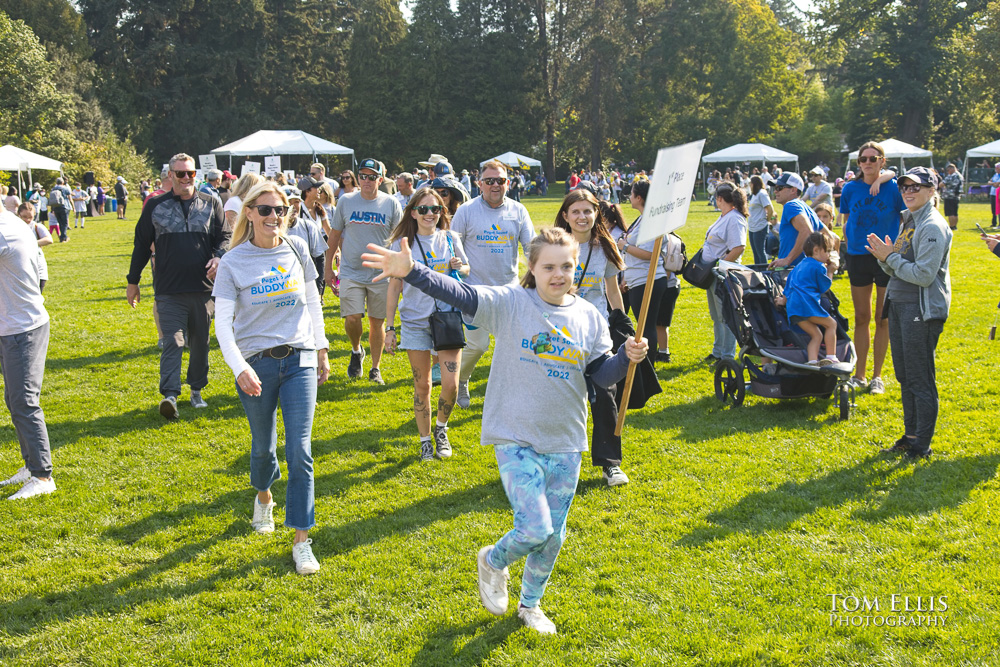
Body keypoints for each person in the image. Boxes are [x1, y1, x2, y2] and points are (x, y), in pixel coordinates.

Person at [360, 226, 649, 635]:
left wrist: (626, 358)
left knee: (553, 537)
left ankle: (530, 605)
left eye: (567, 266)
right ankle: (493, 560)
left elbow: (601, 376)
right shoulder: (511, 302)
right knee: (535, 527)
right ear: (531, 267)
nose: (559, 274)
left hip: (566, 440)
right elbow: (458, 293)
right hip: (514, 435)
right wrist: (412, 272)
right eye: (549, 266)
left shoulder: (588, 315)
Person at [212, 182, 329, 574]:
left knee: (300, 449)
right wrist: (239, 367)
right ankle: (264, 497)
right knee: (263, 447)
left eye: (280, 210)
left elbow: (313, 301)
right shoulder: (233, 263)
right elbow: (223, 325)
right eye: (264, 210)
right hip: (256, 364)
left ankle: (301, 538)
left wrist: (322, 348)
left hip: (300, 359)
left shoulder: (296, 249)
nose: (273, 217)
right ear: (249, 213)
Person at [126, 153, 228, 419]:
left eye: (190, 173)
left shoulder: (211, 202)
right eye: (180, 174)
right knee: (173, 340)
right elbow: (140, 244)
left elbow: (225, 236)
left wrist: (219, 255)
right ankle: (170, 395)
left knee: (200, 343)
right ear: (170, 175)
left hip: (203, 288)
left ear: (197, 175)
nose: (186, 178)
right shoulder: (155, 206)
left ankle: (196, 389)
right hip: (169, 288)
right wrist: (133, 281)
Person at [865, 167, 952, 460]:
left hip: (921, 309)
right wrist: (886, 259)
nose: (908, 191)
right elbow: (900, 266)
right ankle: (911, 435)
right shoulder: (909, 220)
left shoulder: (932, 225)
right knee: (904, 375)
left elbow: (924, 275)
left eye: (916, 186)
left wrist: (890, 257)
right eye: (904, 186)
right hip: (900, 304)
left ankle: (921, 445)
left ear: (932, 190)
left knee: (919, 377)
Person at [554, 189, 632, 486]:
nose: (582, 217)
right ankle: (556, 459)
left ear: (597, 213)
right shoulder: (552, 246)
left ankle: (610, 464)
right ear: (565, 215)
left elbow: (611, 289)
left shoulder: (605, 247)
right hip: (562, 334)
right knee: (561, 397)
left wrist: (620, 321)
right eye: (576, 211)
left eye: (588, 211)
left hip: (598, 334)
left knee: (605, 396)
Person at [385, 188, 469, 461]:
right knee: (422, 386)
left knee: (451, 384)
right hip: (415, 321)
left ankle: (441, 429)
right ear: (413, 213)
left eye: (435, 209)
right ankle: (425, 442)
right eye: (423, 209)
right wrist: (389, 327)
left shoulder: (450, 238)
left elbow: (466, 270)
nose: (430, 214)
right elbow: (394, 286)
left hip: (447, 319)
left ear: (442, 212)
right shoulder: (402, 243)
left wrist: (459, 265)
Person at [449, 160, 535, 408]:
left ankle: (508, 393)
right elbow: (453, 244)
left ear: (508, 183)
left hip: (508, 293)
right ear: (479, 184)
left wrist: (540, 274)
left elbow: (531, 248)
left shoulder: (518, 211)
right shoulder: (466, 211)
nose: (495, 185)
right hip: (473, 293)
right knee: (478, 345)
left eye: (500, 180)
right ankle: (462, 379)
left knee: (512, 346)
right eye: (489, 181)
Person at [835, 141, 905, 394]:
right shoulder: (850, 188)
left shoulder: (894, 188)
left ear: (882, 161)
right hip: (857, 256)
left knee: (883, 318)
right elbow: (846, 219)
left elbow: (906, 217)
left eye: (873, 159)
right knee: (862, 317)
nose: (867, 162)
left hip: (886, 257)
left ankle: (878, 376)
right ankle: (860, 374)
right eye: (863, 159)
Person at [325, 158, 402, 384]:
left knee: (376, 322)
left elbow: (399, 238)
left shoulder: (390, 204)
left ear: (380, 179)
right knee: (352, 319)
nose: (366, 181)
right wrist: (328, 267)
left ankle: (375, 368)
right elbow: (334, 235)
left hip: (380, 273)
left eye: (371, 176)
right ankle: (357, 350)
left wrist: (399, 269)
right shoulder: (346, 201)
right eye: (362, 176)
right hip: (351, 271)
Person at [0, 210, 55, 499]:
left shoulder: (3, 229)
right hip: (13, 325)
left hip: (22, 328)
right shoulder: (12, 221)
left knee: (24, 401)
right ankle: (30, 465)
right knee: (15, 399)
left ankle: (42, 477)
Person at [615, 179, 669, 357]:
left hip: (647, 280)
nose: (629, 197)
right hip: (640, 279)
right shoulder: (643, 218)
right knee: (645, 325)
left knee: (646, 327)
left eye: (631, 194)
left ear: (639, 197)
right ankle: (648, 364)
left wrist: (624, 246)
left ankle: (649, 366)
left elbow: (652, 255)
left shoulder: (650, 220)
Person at [775, 232, 839, 366]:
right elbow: (825, 288)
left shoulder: (797, 267)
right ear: (816, 251)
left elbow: (788, 287)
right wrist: (831, 271)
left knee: (816, 335)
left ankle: (812, 361)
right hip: (807, 307)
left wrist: (782, 301)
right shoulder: (818, 266)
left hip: (794, 309)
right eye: (827, 251)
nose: (828, 255)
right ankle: (831, 357)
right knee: (831, 324)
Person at [701, 181, 748, 364]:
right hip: (713, 274)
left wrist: (720, 266)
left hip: (724, 274)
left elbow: (738, 247)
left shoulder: (734, 218)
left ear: (719, 199)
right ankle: (718, 351)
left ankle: (727, 355)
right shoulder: (725, 216)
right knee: (716, 316)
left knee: (726, 317)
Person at [770, 172, 823, 269]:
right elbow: (831, 237)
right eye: (775, 188)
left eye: (779, 188)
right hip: (806, 268)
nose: (775, 192)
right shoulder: (807, 208)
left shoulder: (791, 205)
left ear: (793, 190)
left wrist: (788, 259)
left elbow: (807, 231)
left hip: (792, 270)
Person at [291, 176, 330, 301]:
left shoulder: (319, 209)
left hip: (316, 251)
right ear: (307, 191)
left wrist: (337, 249)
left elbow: (328, 230)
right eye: (316, 188)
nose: (319, 190)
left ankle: (319, 296)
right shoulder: (298, 209)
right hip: (300, 255)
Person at [17, 203, 51, 291]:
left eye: (30, 217)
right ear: (19, 214)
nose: (27, 219)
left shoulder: (36, 226)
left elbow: (49, 239)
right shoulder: (14, 227)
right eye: (24, 216)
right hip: (20, 270)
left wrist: (32, 243)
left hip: (38, 270)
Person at [747, 175, 776, 265]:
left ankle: (764, 272)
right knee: (755, 252)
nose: (750, 186)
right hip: (752, 227)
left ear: (754, 184)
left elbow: (770, 208)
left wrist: (768, 219)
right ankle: (757, 271)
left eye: (750, 184)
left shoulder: (762, 193)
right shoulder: (755, 195)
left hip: (760, 227)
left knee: (760, 251)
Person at [939, 162, 963, 230]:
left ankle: (951, 226)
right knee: (955, 213)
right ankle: (955, 226)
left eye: (948, 170)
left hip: (949, 196)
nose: (948, 172)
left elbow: (941, 184)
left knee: (950, 213)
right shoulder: (960, 175)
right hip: (957, 196)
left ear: (952, 168)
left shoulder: (951, 176)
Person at [49, 177, 72, 242]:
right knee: (64, 223)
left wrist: (52, 208)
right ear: (63, 182)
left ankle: (62, 236)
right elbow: (70, 198)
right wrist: (73, 206)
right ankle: (63, 237)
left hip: (56, 207)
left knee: (60, 222)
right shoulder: (65, 188)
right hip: (64, 206)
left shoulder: (53, 189)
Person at [990, 163, 1000, 228]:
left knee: (999, 209)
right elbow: (989, 182)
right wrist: (993, 183)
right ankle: (994, 223)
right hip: (993, 193)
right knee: (993, 209)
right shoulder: (995, 175)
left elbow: (997, 184)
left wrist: (992, 183)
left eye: (997, 168)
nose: (996, 169)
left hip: (998, 194)